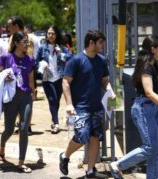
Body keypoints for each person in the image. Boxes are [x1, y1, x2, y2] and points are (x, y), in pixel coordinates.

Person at [108, 35, 158, 179]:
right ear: (153, 49)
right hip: (144, 109)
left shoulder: (152, 65)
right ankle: (118, 165)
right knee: (150, 148)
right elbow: (148, 92)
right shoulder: (146, 67)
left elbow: (156, 90)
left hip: (152, 109)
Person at [59, 29, 114, 178]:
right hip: (80, 108)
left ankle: (90, 170)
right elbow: (65, 82)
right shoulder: (76, 60)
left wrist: (110, 92)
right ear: (91, 43)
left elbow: (105, 81)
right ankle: (65, 156)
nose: (103, 45)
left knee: (95, 137)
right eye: (100, 42)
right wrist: (69, 104)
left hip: (97, 107)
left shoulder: (101, 60)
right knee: (82, 136)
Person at [0, 31, 35, 173]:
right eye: (24, 42)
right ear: (17, 43)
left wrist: (33, 94)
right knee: (9, 129)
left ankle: (21, 162)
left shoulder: (30, 59)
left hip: (25, 96)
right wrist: (4, 77)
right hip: (10, 98)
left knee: (24, 128)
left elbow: (31, 77)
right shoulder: (6, 57)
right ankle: (1, 147)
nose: (27, 45)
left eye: (28, 42)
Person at [36, 25, 72, 134]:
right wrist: (42, 65)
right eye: (49, 33)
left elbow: (71, 57)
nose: (50, 35)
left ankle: (54, 120)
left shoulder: (62, 47)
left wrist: (60, 54)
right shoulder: (42, 47)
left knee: (56, 100)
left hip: (60, 77)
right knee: (52, 99)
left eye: (53, 33)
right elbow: (36, 62)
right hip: (47, 77)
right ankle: (56, 124)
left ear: (56, 35)